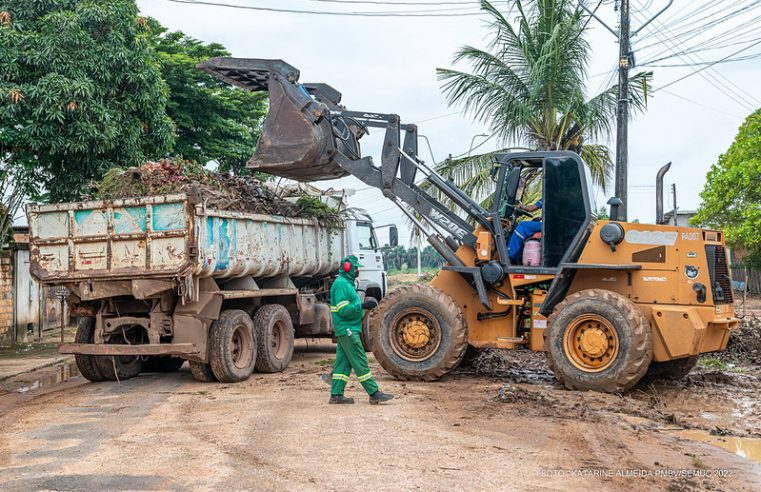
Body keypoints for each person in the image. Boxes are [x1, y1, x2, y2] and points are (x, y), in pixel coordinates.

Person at [329, 255, 394, 405]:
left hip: (349, 328)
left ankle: (336, 395)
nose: (357, 270)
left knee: (342, 364)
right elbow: (343, 309)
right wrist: (363, 306)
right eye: (355, 267)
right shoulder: (341, 284)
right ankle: (374, 393)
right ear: (347, 268)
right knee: (359, 360)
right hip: (347, 329)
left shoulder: (346, 283)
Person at [507, 199, 542, 264]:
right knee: (532, 224)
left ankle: (510, 257)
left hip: (550, 224)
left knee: (522, 226)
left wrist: (521, 206)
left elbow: (531, 208)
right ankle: (519, 257)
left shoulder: (547, 197)